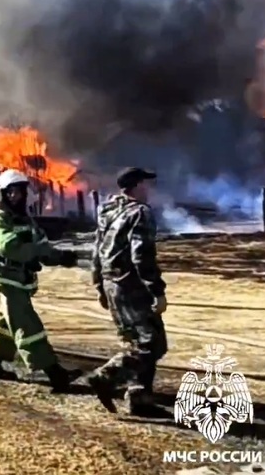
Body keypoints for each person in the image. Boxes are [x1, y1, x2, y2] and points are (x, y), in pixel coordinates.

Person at [0, 169, 83, 392]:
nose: (16, 196)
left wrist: (59, 257)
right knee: (27, 324)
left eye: (20, 191)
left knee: (5, 321)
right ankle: (55, 373)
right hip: (5, 278)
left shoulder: (27, 219)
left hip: (20, 279)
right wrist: (34, 249)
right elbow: (9, 247)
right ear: (3, 194)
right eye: (11, 192)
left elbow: (41, 245)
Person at [86, 167, 169, 418]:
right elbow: (141, 256)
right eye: (146, 183)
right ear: (137, 186)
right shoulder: (140, 213)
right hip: (131, 287)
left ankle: (139, 398)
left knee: (134, 341)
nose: (150, 189)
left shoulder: (108, 210)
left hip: (111, 283)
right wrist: (157, 291)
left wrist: (99, 285)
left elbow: (97, 249)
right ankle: (105, 377)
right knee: (151, 344)